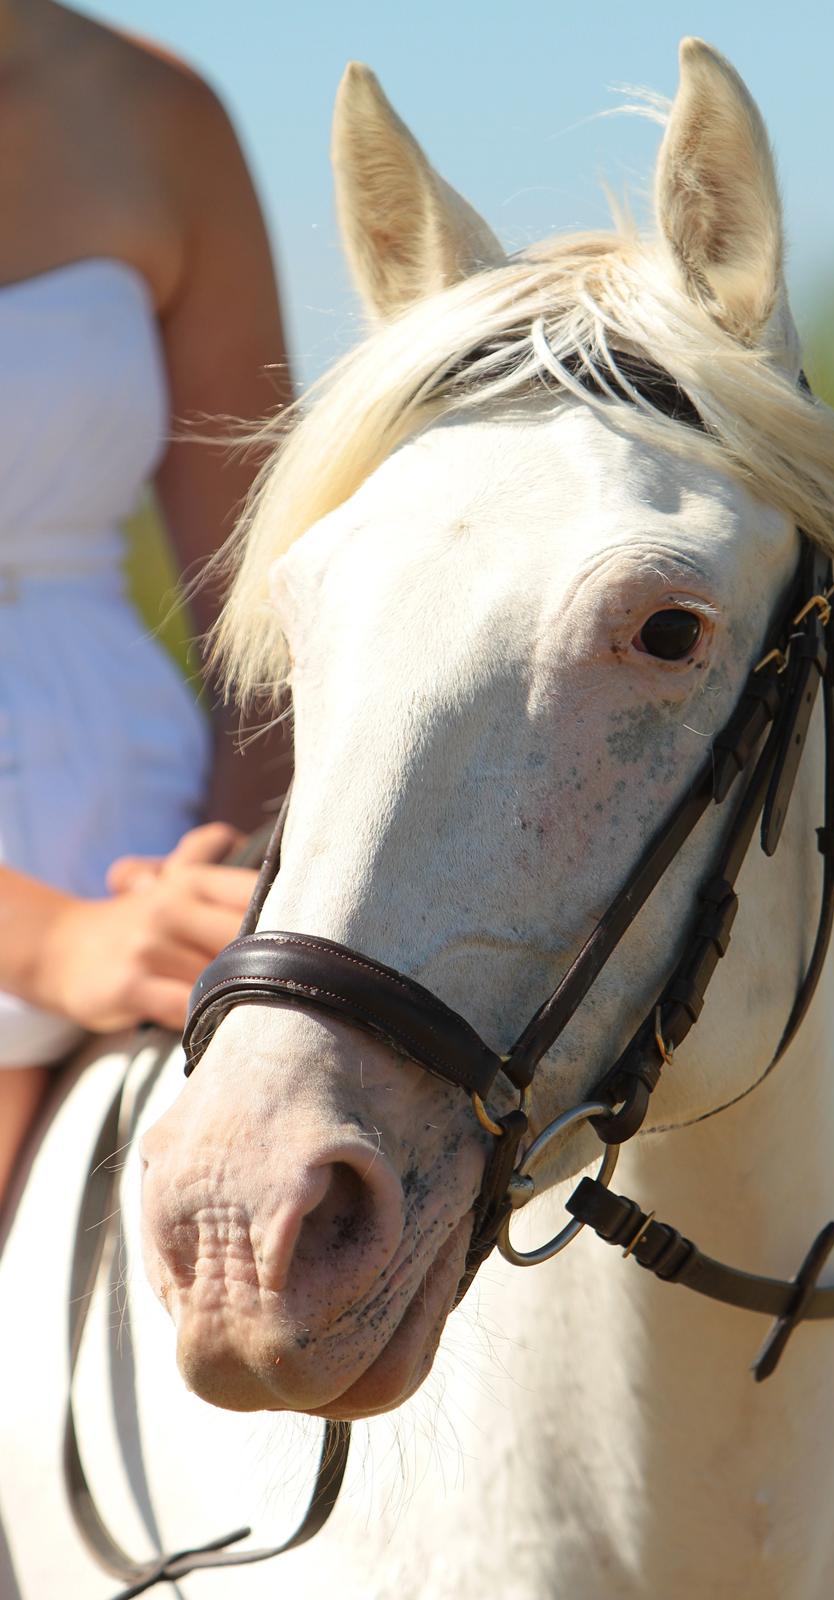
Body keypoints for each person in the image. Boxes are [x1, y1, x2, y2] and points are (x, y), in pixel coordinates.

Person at [0, 0, 292, 1198]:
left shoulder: (160, 116)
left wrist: (212, 884)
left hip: (152, 830)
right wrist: (50, 943)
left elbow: (268, 620)